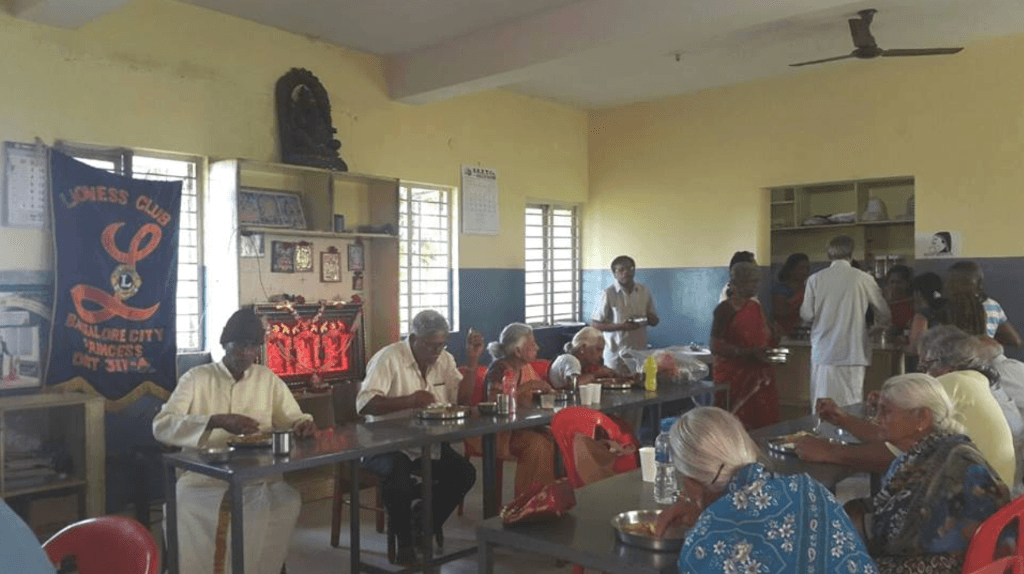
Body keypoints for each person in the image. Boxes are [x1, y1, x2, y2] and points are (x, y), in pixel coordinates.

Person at [153, 307, 317, 574]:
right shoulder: (197, 378)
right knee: (186, 506)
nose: (245, 353)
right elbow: (162, 425)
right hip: (204, 478)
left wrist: (303, 424)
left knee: (287, 502)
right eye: (239, 345)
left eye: (252, 347)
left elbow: (293, 417)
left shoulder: (266, 379)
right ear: (224, 344)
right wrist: (215, 420)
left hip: (257, 478)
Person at [652, 407, 876, 573]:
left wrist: (707, 520)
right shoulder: (810, 489)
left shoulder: (702, 545)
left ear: (691, 485)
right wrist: (706, 515)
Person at [843, 374, 1009, 574]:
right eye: (877, 410)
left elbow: (905, 538)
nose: (877, 419)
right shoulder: (913, 458)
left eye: (886, 411)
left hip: (951, 567)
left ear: (922, 418)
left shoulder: (955, 462)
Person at [355, 310, 481, 565]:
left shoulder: (444, 359)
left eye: (441, 345)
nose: (437, 351)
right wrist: (409, 401)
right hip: (384, 444)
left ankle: (422, 524)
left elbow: (462, 399)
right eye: (431, 345)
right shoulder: (389, 358)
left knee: (464, 474)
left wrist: (473, 361)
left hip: (426, 443)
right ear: (413, 339)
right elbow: (364, 404)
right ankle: (405, 543)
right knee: (398, 477)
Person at [917, 326, 1018, 486]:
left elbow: (898, 441)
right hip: (1005, 486)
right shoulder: (983, 381)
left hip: (987, 491)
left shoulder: (953, 383)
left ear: (948, 367)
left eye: (925, 366)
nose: (924, 374)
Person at [800, 235, 891, 407]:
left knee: (822, 404)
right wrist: (875, 329)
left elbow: (807, 315)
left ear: (828, 254)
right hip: (854, 352)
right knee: (851, 404)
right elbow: (884, 313)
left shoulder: (815, 279)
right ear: (851, 254)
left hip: (824, 353)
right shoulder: (864, 278)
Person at [470, 323, 557, 496]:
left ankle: (545, 498)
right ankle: (526, 501)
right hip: (497, 433)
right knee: (536, 445)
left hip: (519, 427)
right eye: (532, 344)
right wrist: (527, 388)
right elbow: (495, 402)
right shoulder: (499, 369)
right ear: (517, 351)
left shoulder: (525, 368)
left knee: (553, 439)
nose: (537, 348)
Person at [710, 262, 778, 429]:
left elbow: (765, 336)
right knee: (734, 426)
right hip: (734, 378)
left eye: (757, 281)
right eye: (752, 282)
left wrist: (773, 339)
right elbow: (715, 346)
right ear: (738, 283)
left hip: (758, 375)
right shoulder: (725, 310)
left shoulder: (755, 307)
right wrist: (745, 352)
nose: (756, 286)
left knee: (762, 424)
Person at [591, 255, 659, 371]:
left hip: (639, 352)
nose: (626, 272)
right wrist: (621, 326)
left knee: (639, 380)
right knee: (614, 380)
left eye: (630, 268)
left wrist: (651, 320)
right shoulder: (608, 293)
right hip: (616, 354)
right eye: (621, 270)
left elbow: (654, 319)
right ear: (614, 274)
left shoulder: (644, 291)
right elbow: (595, 324)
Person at [948, 261, 1022, 347]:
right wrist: (988, 339)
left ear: (978, 284)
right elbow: (1015, 341)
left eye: (964, 283)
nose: (958, 287)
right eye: (953, 282)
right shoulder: (993, 305)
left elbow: (1016, 341)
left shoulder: (949, 308)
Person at [548, 326, 618, 390]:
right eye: (598, 350)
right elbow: (574, 384)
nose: (601, 355)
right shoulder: (570, 360)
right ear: (583, 348)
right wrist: (596, 374)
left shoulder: (583, 363)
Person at [907, 272, 947, 355]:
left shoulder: (922, 315)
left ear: (918, 293)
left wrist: (901, 348)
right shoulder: (946, 311)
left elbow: (915, 349)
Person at [770, 252, 809, 336]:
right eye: (801, 268)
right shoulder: (781, 289)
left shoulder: (809, 288)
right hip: (784, 333)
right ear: (791, 269)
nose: (805, 272)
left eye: (807, 268)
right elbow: (780, 312)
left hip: (804, 332)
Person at [884, 265, 914, 334]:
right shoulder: (883, 302)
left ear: (908, 283)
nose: (895, 286)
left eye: (899, 282)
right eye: (892, 282)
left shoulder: (913, 304)